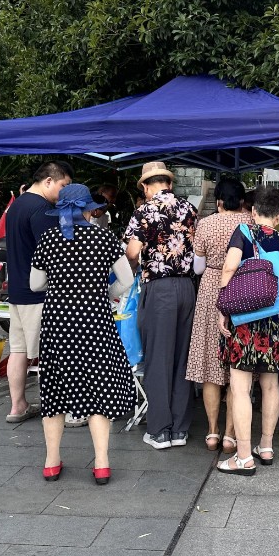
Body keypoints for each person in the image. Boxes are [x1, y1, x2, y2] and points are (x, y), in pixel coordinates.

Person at [30, 184, 135, 485]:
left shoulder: (49, 239)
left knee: (55, 390)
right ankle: (101, 463)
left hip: (58, 324)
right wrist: (105, 292)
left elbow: (35, 284)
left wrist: (60, 285)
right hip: (95, 322)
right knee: (98, 389)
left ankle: (51, 462)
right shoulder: (105, 238)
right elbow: (126, 280)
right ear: (89, 210)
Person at [215, 186, 279, 475]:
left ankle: (244, 456)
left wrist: (223, 308)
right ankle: (267, 446)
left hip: (246, 318)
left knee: (240, 387)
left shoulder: (244, 232)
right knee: (271, 384)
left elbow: (228, 268)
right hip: (276, 319)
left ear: (253, 211)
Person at [124, 161, 198, 450]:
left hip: (159, 289)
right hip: (187, 288)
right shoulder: (189, 209)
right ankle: (179, 429)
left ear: (146, 186)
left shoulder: (144, 211)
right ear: (169, 183)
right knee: (182, 358)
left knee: (157, 358)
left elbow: (132, 251)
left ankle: (159, 430)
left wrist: (134, 262)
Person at [4, 161, 73, 424]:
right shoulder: (42, 209)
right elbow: (53, 254)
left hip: (17, 291)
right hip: (39, 293)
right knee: (52, 354)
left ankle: (17, 406)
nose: (65, 192)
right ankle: (63, 411)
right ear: (48, 181)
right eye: (64, 185)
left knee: (18, 351)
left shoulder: (17, 205)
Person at [188, 177, 248, 451]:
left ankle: (212, 432)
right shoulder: (251, 222)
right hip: (244, 289)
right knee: (238, 367)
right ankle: (230, 435)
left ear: (219, 200)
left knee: (210, 365)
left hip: (212, 289)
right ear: (243, 200)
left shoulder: (206, 223)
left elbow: (198, 268)